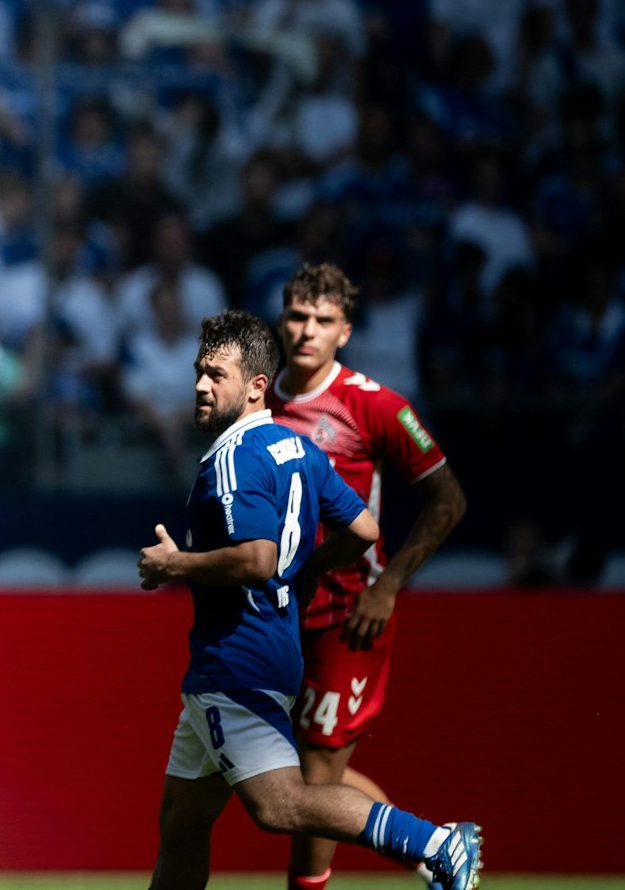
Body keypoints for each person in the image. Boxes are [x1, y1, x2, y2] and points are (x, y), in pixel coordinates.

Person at [137, 310, 482, 890]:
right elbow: (367, 529)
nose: (200, 384)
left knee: (279, 806)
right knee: (182, 821)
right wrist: (308, 569)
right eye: (199, 372)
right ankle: (433, 842)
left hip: (236, 662)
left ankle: (435, 843)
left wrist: (175, 565)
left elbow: (257, 559)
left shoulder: (234, 458)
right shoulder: (298, 449)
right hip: (265, 655)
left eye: (215, 375)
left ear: (254, 387)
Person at [267, 264, 471, 890]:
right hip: (273, 614)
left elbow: (449, 500)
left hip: (347, 614)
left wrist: (388, 586)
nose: (307, 331)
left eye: (323, 321)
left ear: (345, 331)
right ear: (282, 320)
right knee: (272, 769)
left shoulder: (376, 405)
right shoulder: (256, 400)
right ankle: (436, 846)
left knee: (308, 788)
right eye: (298, 317)